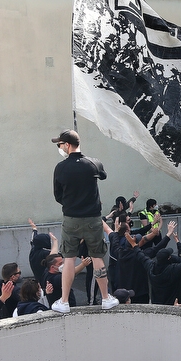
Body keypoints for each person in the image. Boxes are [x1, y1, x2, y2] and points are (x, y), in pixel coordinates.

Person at [50, 129, 118, 312]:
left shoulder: (60, 167)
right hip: (93, 219)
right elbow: (103, 175)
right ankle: (105, 298)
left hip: (71, 219)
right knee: (97, 257)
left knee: (69, 258)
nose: (60, 147)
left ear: (67, 145)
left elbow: (58, 196)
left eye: (60, 144)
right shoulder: (93, 163)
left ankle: (64, 301)